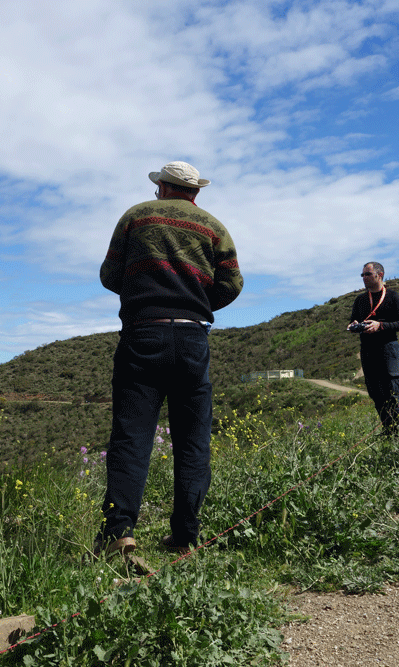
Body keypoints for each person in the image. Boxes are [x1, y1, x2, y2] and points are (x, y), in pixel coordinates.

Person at [95, 161, 243, 557]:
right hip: (193, 338)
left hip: (143, 333)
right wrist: (195, 301)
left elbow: (109, 275)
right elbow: (232, 283)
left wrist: (143, 291)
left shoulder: (136, 217)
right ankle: (185, 536)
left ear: (162, 186)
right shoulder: (213, 227)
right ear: (195, 192)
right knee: (193, 441)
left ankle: (119, 532)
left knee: (131, 437)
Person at [348, 262, 399, 438]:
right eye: (362, 275)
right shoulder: (360, 300)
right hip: (368, 350)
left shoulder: (393, 296)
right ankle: (389, 432)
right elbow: (353, 320)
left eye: (367, 274)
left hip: (388, 349)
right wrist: (354, 325)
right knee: (375, 393)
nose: (364, 278)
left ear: (379, 275)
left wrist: (380, 326)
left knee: (392, 392)